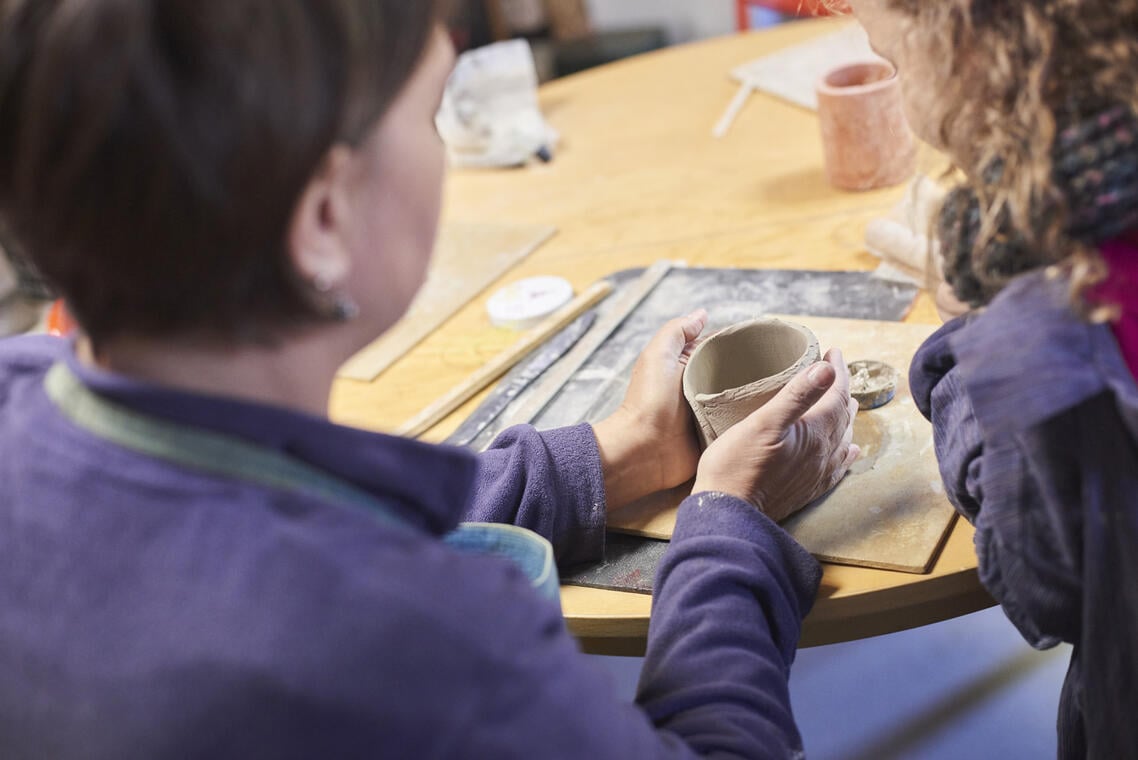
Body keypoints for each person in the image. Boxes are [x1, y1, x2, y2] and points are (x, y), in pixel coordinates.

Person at [0, 1, 859, 757]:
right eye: (430, 111)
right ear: (325, 218)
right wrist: (727, 530)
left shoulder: (20, 385)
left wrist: (620, 452)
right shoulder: (419, 645)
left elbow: (305, 512)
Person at [843, 1, 1138, 756]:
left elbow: (1040, 578)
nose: (903, 96)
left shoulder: (1055, 305)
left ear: (969, 43)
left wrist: (962, 347)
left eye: (897, 63)